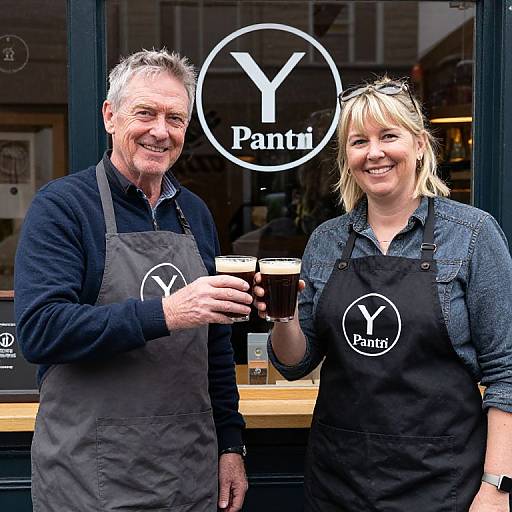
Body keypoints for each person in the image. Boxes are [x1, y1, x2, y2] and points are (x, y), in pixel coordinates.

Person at [254, 77, 512, 511]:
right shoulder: (326, 241)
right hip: (340, 482)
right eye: (359, 141)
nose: (374, 153)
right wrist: (284, 319)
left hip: (444, 483)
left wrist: (496, 486)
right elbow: (295, 364)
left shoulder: (471, 235)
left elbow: (507, 372)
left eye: (388, 136)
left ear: (419, 145)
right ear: (346, 158)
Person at [15, 49, 250, 512]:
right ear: (110, 116)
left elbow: (216, 347)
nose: (160, 131)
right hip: (90, 476)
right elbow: (41, 331)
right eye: (145, 113)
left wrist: (231, 445)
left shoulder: (195, 214)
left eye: (175, 118)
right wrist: (167, 313)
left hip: (188, 471)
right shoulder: (62, 207)